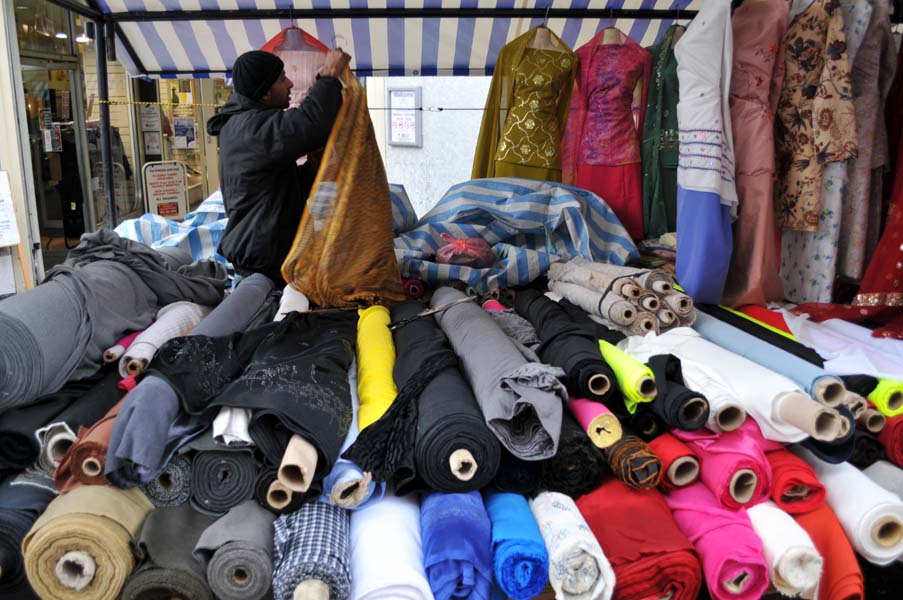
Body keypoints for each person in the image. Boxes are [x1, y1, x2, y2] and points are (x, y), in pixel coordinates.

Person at [207, 47, 351, 283]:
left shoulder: (245, 125)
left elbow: (280, 190)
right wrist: (329, 75)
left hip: (266, 252)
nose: (290, 83)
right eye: (282, 78)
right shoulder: (251, 129)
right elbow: (311, 124)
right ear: (264, 94)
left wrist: (313, 165)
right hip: (264, 261)